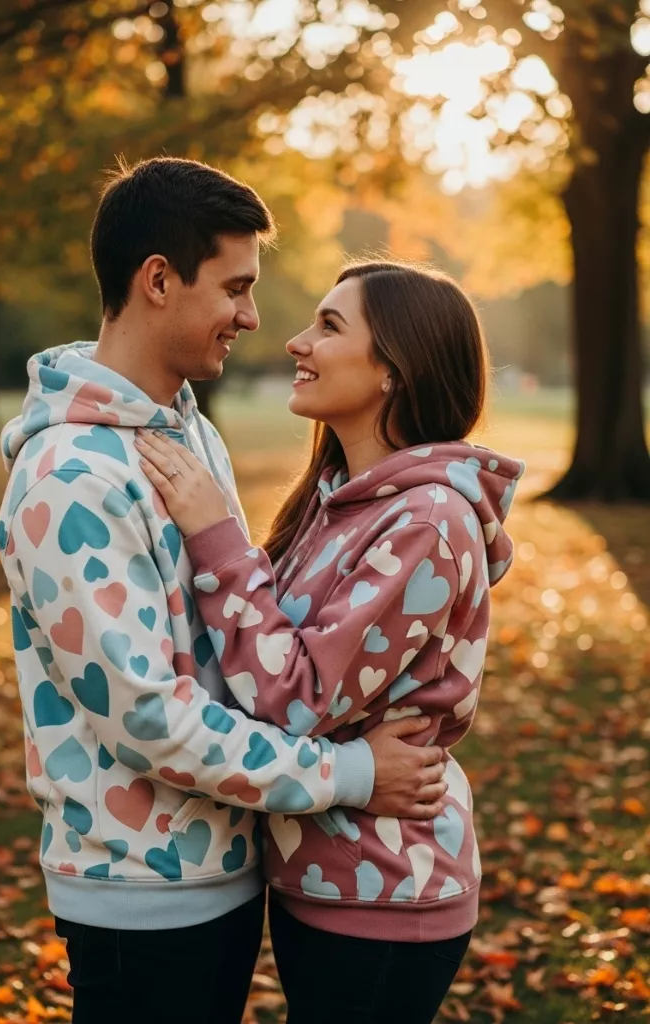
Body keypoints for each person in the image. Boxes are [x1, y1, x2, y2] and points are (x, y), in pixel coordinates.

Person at [0, 161, 448, 1024]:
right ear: (158, 280)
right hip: (139, 894)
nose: (252, 316)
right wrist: (351, 772)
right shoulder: (69, 477)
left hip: (226, 876)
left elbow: (238, 638)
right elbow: (150, 720)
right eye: (235, 288)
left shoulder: (188, 432)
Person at [135, 259, 525, 1024]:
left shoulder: (427, 522)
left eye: (329, 325)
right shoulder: (340, 501)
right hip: (327, 878)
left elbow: (297, 699)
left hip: (383, 891)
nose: (294, 341)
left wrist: (217, 535)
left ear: (393, 371)